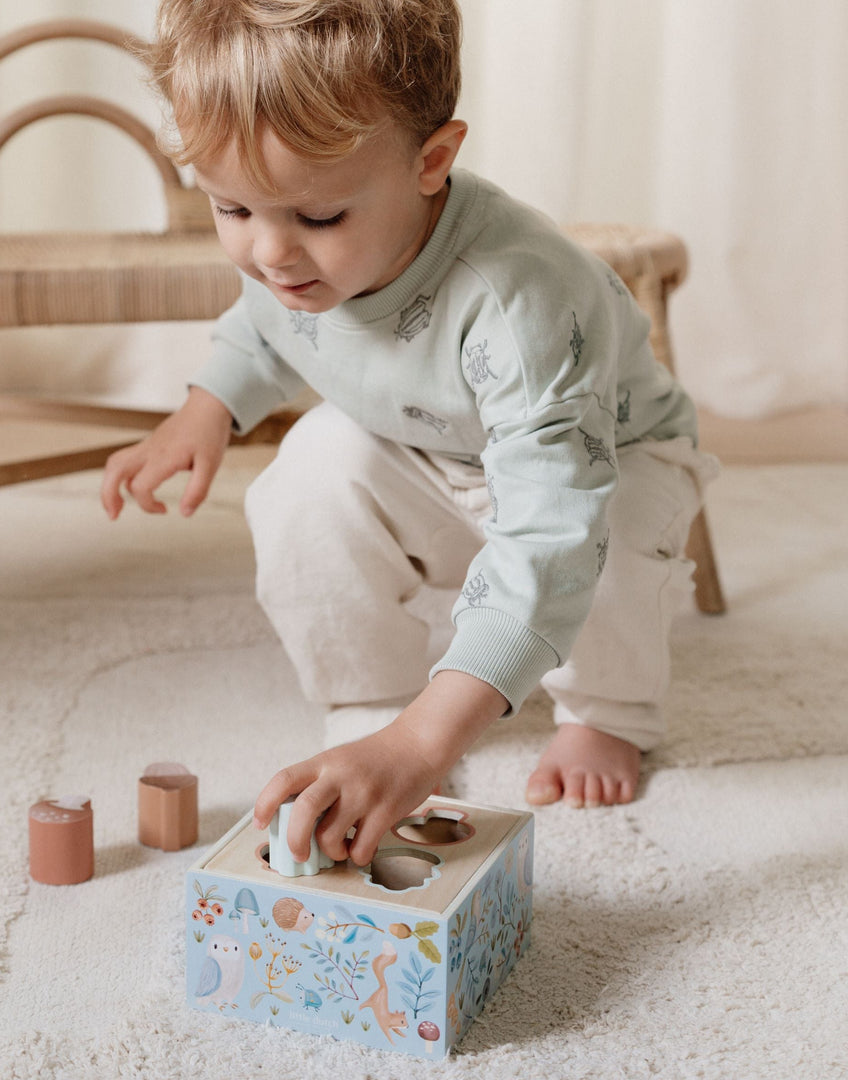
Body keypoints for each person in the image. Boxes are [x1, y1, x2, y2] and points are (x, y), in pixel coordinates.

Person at [100, 0, 718, 868]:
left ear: (432, 163)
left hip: (599, 461)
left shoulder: (519, 299)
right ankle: (367, 693)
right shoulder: (292, 261)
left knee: (601, 544)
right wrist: (208, 407)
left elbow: (551, 531)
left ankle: (611, 713)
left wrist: (425, 745)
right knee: (304, 471)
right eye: (232, 209)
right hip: (428, 450)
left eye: (316, 219)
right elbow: (263, 324)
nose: (271, 253)